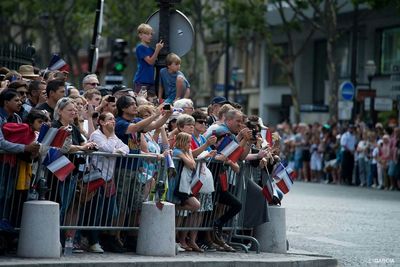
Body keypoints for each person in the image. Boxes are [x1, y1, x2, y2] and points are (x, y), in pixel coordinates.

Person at [88, 112, 129, 253]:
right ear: (101, 122)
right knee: (96, 211)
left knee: (112, 212)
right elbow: (106, 149)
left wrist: (117, 150)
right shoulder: (96, 135)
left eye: (114, 119)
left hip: (109, 179)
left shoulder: (114, 136)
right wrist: (112, 140)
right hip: (97, 178)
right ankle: (93, 241)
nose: (113, 121)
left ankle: (102, 238)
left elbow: (126, 148)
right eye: (110, 119)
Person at [133, 23, 164, 95]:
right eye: (147, 34)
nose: (150, 36)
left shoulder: (151, 49)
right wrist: (157, 50)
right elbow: (150, 62)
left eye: (151, 34)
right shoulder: (140, 47)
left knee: (152, 103)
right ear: (140, 35)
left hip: (150, 81)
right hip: (141, 81)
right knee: (141, 102)